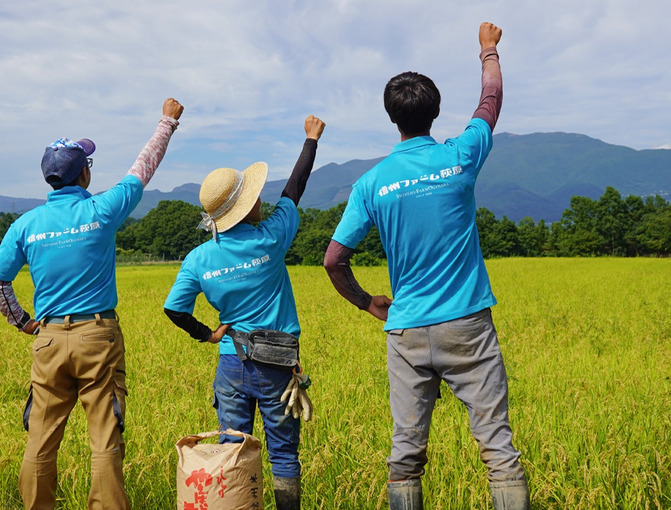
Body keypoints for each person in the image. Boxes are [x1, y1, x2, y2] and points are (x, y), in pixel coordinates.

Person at [322, 23, 530, 510]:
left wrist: (367, 302)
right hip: (468, 327)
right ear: (435, 113)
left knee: (406, 456)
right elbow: (491, 100)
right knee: (498, 449)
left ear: (392, 118)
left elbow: (334, 260)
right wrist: (488, 49)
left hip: (407, 330)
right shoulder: (461, 154)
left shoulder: (371, 184)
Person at [0, 98, 184, 510]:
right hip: (98, 337)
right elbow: (142, 169)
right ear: (84, 172)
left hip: (49, 340)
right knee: (104, 440)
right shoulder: (102, 209)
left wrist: (23, 322)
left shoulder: (25, 225)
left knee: (40, 439)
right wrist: (167, 122)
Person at [163, 115, 326, 510]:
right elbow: (295, 188)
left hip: (231, 365)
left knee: (231, 452)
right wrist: (310, 140)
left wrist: (208, 334)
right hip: (278, 366)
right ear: (246, 206)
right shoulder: (272, 236)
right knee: (284, 455)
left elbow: (174, 309)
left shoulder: (199, 259)